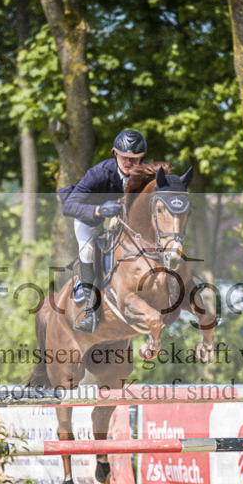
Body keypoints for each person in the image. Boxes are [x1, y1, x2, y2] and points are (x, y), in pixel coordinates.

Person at [61, 129, 147, 333]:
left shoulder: (146, 175)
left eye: (134, 159)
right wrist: (98, 210)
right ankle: (91, 310)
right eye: (124, 157)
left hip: (121, 220)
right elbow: (69, 207)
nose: (129, 163)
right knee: (88, 251)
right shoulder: (98, 173)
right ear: (115, 153)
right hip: (89, 218)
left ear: (141, 158)